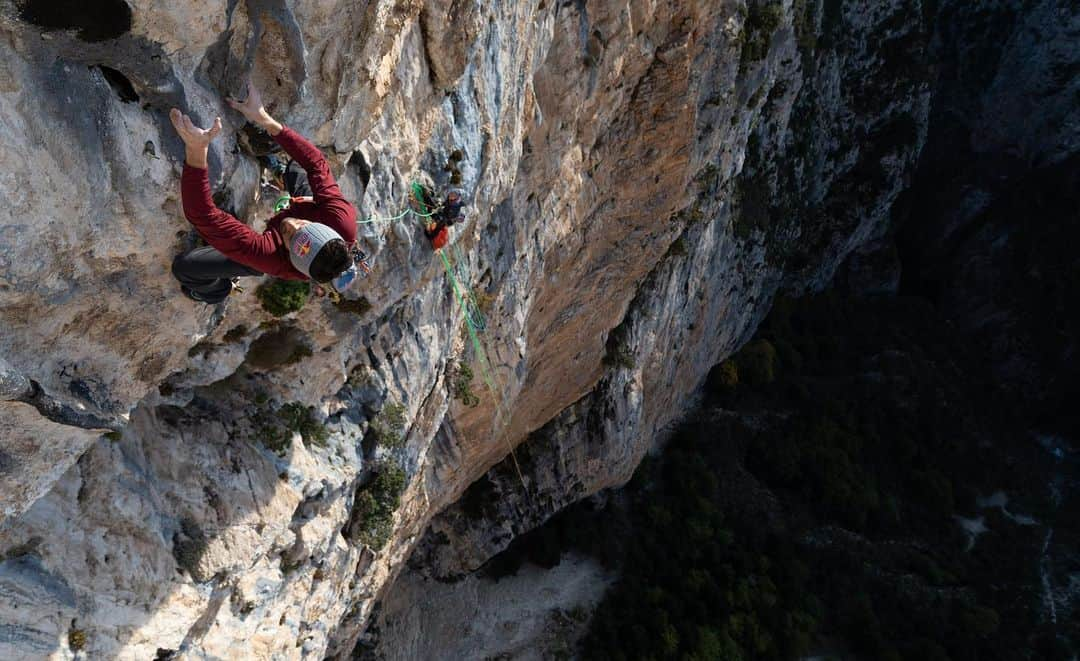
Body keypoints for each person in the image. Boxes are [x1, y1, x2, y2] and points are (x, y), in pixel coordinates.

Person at [169, 81, 357, 303]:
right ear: (324, 227)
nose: (291, 225)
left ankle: (217, 290)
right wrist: (263, 118)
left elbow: (202, 216)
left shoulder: (272, 258)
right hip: (309, 206)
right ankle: (280, 174)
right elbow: (316, 163)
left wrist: (196, 151)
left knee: (185, 268)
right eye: (305, 226)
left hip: (269, 248)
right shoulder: (340, 219)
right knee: (297, 167)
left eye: (290, 237)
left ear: (292, 258)